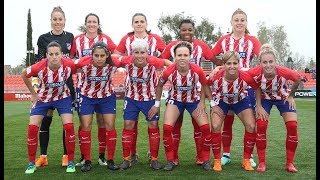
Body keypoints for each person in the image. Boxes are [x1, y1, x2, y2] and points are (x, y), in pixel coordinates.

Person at [160, 19, 221, 166]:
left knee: (201, 128)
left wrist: (222, 66)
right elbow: (160, 60)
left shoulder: (201, 46)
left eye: (190, 30)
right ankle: (173, 158)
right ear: (179, 31)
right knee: (174, 127)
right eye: (184, 30)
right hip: (176, 96)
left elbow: (214, 59)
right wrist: (173, 65)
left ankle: (202, 157)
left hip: (195, 93)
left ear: (194, 31)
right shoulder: (172, 46)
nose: (187, 32)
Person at [148, 41, 212, 171]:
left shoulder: (197, 70)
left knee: (205, 128)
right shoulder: (169, 71)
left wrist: (204, 102)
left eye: (185, 55)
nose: (182, 57)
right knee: (167, 128)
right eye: (179, 55)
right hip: (175, 101)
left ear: (190, 56)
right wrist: (156, 104)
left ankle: (205, 160)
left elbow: (205, 85)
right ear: (174, 57)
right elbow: (159, 85)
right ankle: (171, 160)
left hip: (193, 101)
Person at [211, 8, 261, 167]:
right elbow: (212, 55)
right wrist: (219, 66)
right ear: (231, 23)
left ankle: (249, 156)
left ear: (246, 23)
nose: (239, 22)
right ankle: (226, 154)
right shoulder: (224, 40)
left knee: (251, 123)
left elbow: (262, 59)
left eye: (242, 20)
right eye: (236, 20)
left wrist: (250, 72)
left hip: (246, 85)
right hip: (226, 85)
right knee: (227, 122)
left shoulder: (252, 40)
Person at [114, 12, 167, 164]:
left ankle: (154, 156)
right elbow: (114, 56)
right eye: (136, 21)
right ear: (132, 24)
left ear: (146, 23)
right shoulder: (127, 39)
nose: (139, 24)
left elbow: (166, 56)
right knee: (130, 125)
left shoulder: (155, 39)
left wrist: (158, 59)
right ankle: (130, 155)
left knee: (153, 125)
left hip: (149, 97)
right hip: (131, 97)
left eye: (141, 21)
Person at [69, 13, 117, 167]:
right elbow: (70, 61)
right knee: (85, 125)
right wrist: (78, 66)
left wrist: (112, 68)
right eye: (89, 22)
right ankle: (85, 158)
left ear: (98, 24)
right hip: (85, 91)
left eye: (94, 22)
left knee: (104, 124)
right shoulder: (77, 40)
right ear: (85, 24)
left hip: (106, 91)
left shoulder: (106, 39)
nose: (91, 24)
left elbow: (117, 55)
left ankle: (104, 157)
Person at [22, 41, 77, 174]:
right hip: (43, 99)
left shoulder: (69, 64)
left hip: (63, 98)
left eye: (56, 54)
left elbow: (82, 67)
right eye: (51, 54)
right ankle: (31, 163)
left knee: (69, 127)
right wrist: (33, 94)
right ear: (46, 55)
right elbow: (24, 73)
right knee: (32, 128)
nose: (54, 57)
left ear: (61, 55)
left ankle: (70, 161)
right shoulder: (39, 66)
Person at [247, 44, 301, 173]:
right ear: (260, 63)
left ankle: (289, 163)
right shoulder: (254, 72)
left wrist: (291, 96)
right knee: (261, 125)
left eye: (271, 61)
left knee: (292, 126)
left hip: (283, 98)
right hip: (265, 99)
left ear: (275, 62)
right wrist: (258, 105)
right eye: (264, 62)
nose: (268, 65)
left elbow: (297, 78)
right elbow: (255, 85)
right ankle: (262, 163)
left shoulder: (284, 72)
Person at [33, 6, 75, 168]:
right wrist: (36, 90)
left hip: (66, 87)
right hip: (47, 88)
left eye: (60, 19)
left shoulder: (71, 37)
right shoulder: (43, 38)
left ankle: (66, 156)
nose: (58, 22)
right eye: (55, 19)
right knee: (45, 122)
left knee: (67, 123)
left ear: (64, 21)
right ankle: (43, 156)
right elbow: (38, 64)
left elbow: (72, 62)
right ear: (51, 21)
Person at [207, 50, 258, 171]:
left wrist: (259, 105)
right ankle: (217, 161)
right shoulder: (216, 75)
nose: (232, 66)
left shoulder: (245, 74)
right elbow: (205, 84)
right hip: (221, 101)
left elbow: (257, 88)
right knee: (215, 126)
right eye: (228, 63)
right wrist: (212, 103)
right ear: (223, 65)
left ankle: (246, 160)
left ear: (239, 64)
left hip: (240, 100)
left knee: (251, 126)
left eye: (235, 63)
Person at [75, 41, 120, 172]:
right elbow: (68, 65)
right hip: (86, 96)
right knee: (86, 126)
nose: (99, 58)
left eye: (102, 55)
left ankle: (108, 159)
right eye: (96, 55)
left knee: (109, 125)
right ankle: (87, 160)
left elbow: (131, 60)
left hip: (106, 97)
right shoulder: (83, 63)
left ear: (107, 55)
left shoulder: (114, 63)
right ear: (92, 55)